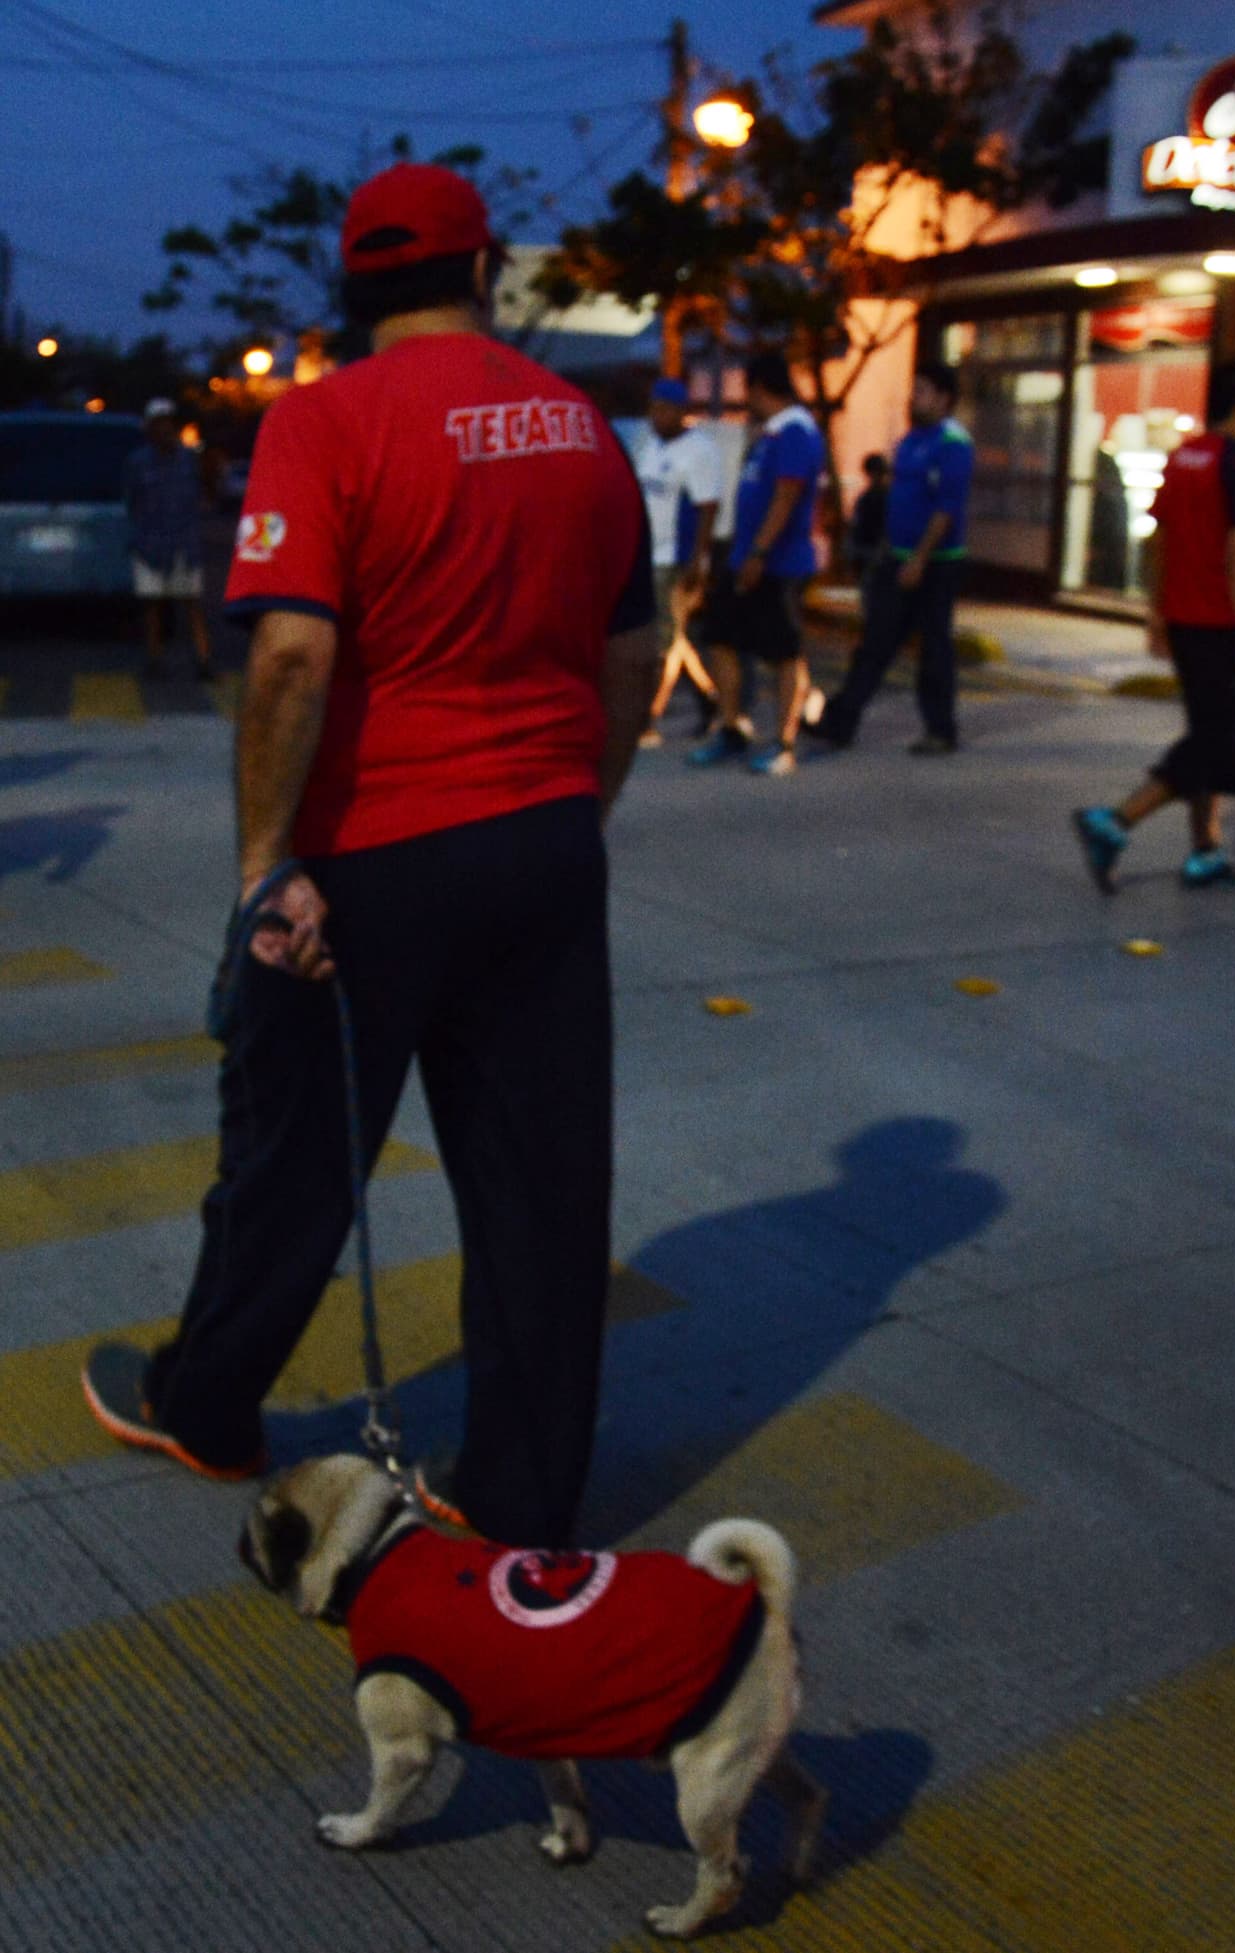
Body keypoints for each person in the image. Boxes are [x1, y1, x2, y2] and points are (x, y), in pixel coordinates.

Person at [82, 162, 658, 1550]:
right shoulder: (582, 427)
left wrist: (264, 865)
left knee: (293, 1159)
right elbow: (633, 656)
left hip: (366, 861)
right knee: (541, 1182)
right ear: (480, 278)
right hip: (539, 847)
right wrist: (573, 811)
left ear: (350, 288)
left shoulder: (325, 421)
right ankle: (520, 1495)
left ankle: (208, 1407)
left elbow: (289, 652)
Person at [1073, 359, 1235, 894]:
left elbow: (1155, 537)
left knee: (1209, 729)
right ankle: (1114, 822)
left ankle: (1205, 850)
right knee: (1214, 741)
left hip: (1184, 619)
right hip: (1217, 621)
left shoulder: (1184, 455)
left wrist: (1157, 610)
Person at [808, 363, 973, 756]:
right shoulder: (909, 440)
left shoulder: (953, 443)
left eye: (921, 390)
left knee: (934, 647)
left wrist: (919, 559)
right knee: (874, 644)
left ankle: (940, 730)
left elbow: (946, 508)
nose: (912, 397)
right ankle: (840, 722)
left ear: (943, 398)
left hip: (935, 564)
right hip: (896, 558)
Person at [688, 351, 826, 778]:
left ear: (761, 389)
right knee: (721, 638)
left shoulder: (796, 432)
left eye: (749, 392)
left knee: (785, 653)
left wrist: (760, 553)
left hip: (777, 564)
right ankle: (731, 727)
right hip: (744, 556)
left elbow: (786, 497)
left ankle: (784, 744)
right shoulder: (768, 434)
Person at [633, 377, 722, 746]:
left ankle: (649, 717)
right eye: (652, 408)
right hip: (649, 554)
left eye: (663, 409)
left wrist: (697, 562)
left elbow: (706, 509)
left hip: (674, 559)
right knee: (677, 639)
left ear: (680, 411)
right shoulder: (651, 445)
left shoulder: (698, 450)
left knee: (664, 644)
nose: (656, 416)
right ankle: (712, 700)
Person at [123, 398, 213, 681]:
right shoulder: (138, 462)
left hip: (185, 545)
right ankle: (155, 660)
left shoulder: (189, 459)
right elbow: (130, 502)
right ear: (149, 428)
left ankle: (204, 660)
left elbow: (203, 494)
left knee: (193, 605)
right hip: (151, 546)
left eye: (168, 422)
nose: (164, 428)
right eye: (158, 423)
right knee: (153, 606)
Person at [847, 451, 889, 601]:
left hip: (876, 552)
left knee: (873, 594)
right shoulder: (866, 497)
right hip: (866, 550)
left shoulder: (884, 497)